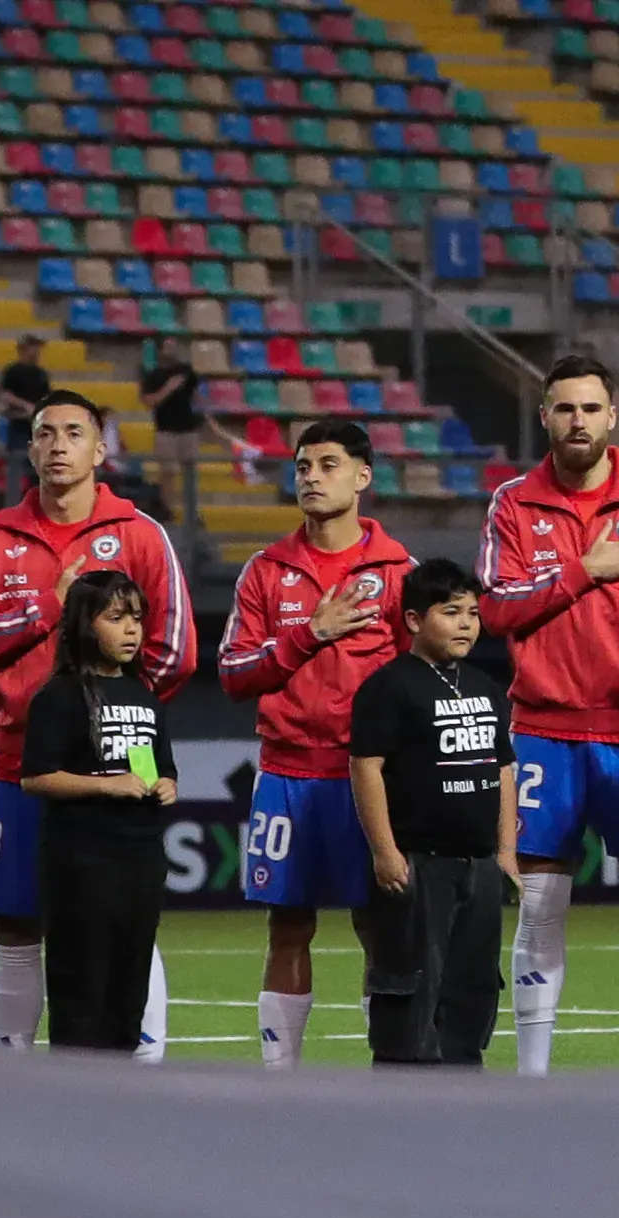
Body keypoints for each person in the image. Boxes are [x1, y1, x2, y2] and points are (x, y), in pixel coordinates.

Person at [0, 388, 196, 1055]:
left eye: (74, 433)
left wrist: (118, 725)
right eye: (45, 433)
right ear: (30, 449)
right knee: (16, 919)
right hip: (19, 763)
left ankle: (144, 1058)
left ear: (100, 448)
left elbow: (177, 649)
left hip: (121, 769)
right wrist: (43, 614)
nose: (59, 445)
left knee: (130, 916)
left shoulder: (141, 533)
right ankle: (13, 1061)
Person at [480, 353, 619, 1075]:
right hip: (546, 728)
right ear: (544, 417)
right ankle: (531, 1078)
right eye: (564, 408)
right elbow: (494, 607)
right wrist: (582, 571)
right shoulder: (513, 502)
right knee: (540, 905)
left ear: (613, 416)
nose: (578, 421)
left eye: (590, 408)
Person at [218, 418, 413, 1069]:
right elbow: (234, 674)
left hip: (373, 779)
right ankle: (281, 1080)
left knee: (379, 926)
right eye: (303, 466)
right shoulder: (267, 570)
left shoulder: (397, 570)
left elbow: (423, 676)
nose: (310, 477)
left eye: (328, 464)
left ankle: (386, 1069)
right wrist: (311, 633)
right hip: (288, 773)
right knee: (289, 923)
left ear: (363, 476)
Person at [345, 557, 516, 1069]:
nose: (466, 623)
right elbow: (365, 767)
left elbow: (502, 770)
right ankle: (401, 1099)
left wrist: (505, 853)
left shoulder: (486, 686)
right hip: (420, 862)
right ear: (415, 620)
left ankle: (465, 1093)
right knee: (411, 990)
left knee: (474, 987)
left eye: (472, 612)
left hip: (479, 866)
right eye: (451, 612)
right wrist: (385, 852)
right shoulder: (390, 686)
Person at [17, 571, 179, 1053]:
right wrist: (106, 786)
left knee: (128, 993)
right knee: (82, 992)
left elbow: (153, 767)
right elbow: (36, 777)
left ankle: (121, 1098)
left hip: (140, 860)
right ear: (86, 625)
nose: (132, 630)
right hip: (81, 864)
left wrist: (163, 784)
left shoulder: (144, 695)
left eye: (137, 619)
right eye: (116, 618)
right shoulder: (59, 696)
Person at [140, 336, 214, 530]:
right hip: (166, 431)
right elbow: (148, 402)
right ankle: (168, 512)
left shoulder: (186, 372)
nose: (172, 349)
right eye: (168, 346)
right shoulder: (153, 376)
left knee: (190, 473)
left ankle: (192, 513)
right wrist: (168, 388)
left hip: (188, 430)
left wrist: (206, 419)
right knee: (168, 473)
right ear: (160, 350)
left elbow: (198, 396)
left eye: (174, 345)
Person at [0, 333, 51, 502]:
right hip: (19, 425)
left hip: (37, 428)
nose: (36, 352)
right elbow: (5, 395)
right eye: (33, 347)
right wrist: (25, 406)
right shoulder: (13, 371)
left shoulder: (41, 374)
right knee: (17, 466)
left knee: (39, 470)